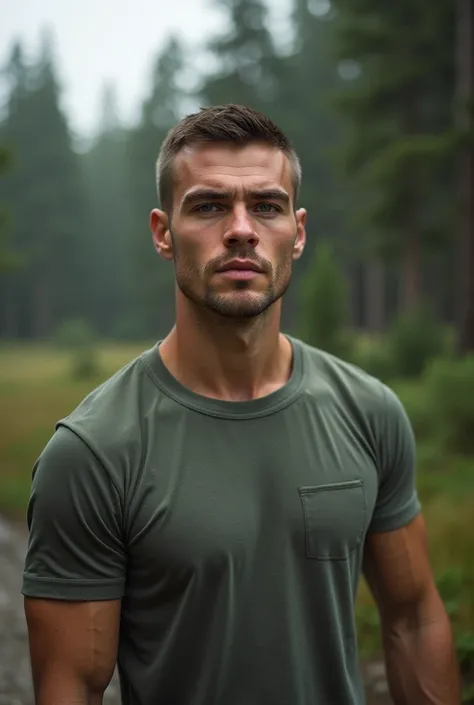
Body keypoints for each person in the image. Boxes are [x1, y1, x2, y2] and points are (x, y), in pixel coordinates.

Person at [22, 103, 460, 705]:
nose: (241, 229)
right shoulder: (94, 453)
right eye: (207, 206)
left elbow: (413, 618)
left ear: (298, 232)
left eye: (266, 205)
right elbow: (69, 684)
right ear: (162, 232)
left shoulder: (370, 412)